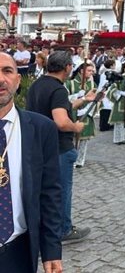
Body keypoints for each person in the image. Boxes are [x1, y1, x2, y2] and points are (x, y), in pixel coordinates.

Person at [0, 53, 63, 273]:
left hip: (18, 251)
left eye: (7, 71)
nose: (1, 79)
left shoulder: (41, 129)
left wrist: (51, 250)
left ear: (18, 80)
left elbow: (50, 192)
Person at [25, 50, 91, 244]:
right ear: (68, 67)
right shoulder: (59, 89)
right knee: (60, 190)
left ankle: (39, 226)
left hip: (37, 145)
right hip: (58, 148)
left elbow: (60, 107)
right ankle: (63, 229)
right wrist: (76, 126)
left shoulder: (37, 85)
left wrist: (85, 100)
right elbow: (61, 121)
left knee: (41, 190)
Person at [65, 62, 99, 168]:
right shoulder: (70, 83)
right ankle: (71, 159)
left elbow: (97, 100)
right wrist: (76, 96)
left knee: (84, 139)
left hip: (86, 114)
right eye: (89, 70)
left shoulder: (93, 85)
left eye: (92, 71)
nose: (91, 73)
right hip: (73, 114)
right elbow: (64, 99)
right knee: (73, 138)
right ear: (81, 71)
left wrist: (87, 110)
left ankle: (80, 160)